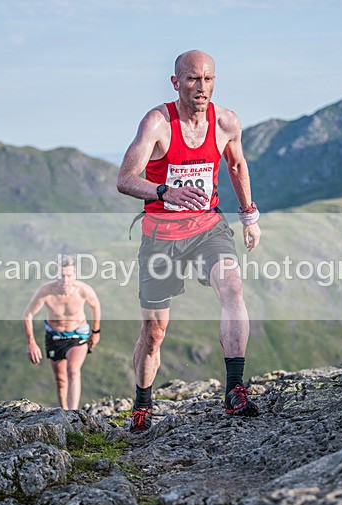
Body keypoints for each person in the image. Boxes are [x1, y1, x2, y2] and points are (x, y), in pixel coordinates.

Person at [116, 50, 262, 433]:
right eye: (193, 79)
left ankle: (235, 390)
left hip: (207, 227)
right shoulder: (158, 122)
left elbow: (236, 164)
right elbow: (126, 178)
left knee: (232, 287)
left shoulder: (226, 122)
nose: (202, 87)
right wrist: (165, 192)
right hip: (161, 234)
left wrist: (249, 216)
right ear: (176, 82)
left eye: (208, 79)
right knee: (154, 332)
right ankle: (143, 403)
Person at [23, 254, 101, 410]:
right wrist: (31, 342)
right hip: (54, 336)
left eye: (69, 276)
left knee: (73, 369)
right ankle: (64, 413)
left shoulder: (83, 290)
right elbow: (28, 314)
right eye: (61, 276)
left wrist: (96, 331)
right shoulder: (46, 291)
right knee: (61, 380)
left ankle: (73, 413)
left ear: (75, 275)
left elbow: (95, 306)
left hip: (78, 334)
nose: (65, 280)